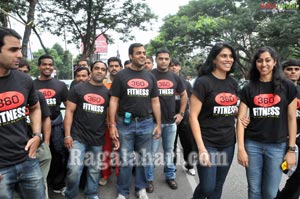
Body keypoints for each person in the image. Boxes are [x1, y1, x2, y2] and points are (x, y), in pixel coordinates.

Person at [236, 46, 297, 199]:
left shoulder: (287, 86)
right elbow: (240, 120)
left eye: (268, 60)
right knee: (254, 191)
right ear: (255, 63)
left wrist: (291, 150)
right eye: (260, 60)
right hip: (253, 145)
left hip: (277, 146)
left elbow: (291, 118)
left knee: (270, 193)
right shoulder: (248, 88)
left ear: (275, 62)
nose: (264, 64)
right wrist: (241, 149)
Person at [109, 43, 161, 199]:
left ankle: (140, 188)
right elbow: (113, 101)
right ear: (130, 56)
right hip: (125, 124)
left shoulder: (150, 76)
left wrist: (158, 124)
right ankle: (122, 192)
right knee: (125, 160)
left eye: (144, 53)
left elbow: (155, 102)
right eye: (138, 53)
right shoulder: (121, 76)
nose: (142, 55)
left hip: (146, 123)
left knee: (143, 158)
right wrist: (112, 124)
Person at [0, 27, 45, 198]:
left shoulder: (24, 80)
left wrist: (37, 135)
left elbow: (34, 107)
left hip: (27, 159)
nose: (19, 55)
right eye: (13, 50)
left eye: (19, 49)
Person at [189, 43, 238, 199]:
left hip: (228, 143)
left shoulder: (233, 83)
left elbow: (230, 108)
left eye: (231, 56)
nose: (228, 59)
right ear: (214, 59)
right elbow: (193, 116)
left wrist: (240, 114)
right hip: (207, 143)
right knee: (207, 186)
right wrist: (201, 148)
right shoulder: (203, 82)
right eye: (224, 56)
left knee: (218, 186)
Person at [64, 61, 109, 199]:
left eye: (102, 69)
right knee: (74, 169)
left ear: (105, 73)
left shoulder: (108, 93)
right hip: (78, 137)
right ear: (91, 71)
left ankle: (92, 193)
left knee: (94, 170)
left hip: (97, 138)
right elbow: (69, 112)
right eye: (97, 68)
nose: (99, 71)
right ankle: (70, 194)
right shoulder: (78, 89)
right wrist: (67, 135)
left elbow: (109, 117)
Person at [146, 49, 188, 193]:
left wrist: (181, 113)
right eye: (160, 58)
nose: (163, 61)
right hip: (153, 122)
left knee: (169, 151)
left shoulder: (175, 77)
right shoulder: (149, 76)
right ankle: (148, 179)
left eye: (166, 59)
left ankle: (170, 176)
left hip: (171, 122)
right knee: (152, 152)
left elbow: (184, 95)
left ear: (169, 60)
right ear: (156, 60)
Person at [33, 54, 69, 195]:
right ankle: (40, 183)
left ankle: (58, 184)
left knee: (58, 155)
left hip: (56, 127)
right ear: (39, 66)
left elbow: (68, 107)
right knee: (36, 156)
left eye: (50, 64)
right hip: (35, 127)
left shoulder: (60, 85)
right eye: (44, 64)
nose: (47, 67)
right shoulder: (32, 85)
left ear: (53, 67)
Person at [18, 59, 52, 199]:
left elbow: (46, 119)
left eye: (25, 72)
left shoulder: (36, 95)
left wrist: (46, 143)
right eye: (18, 72)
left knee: (39, 183)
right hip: (15, 151)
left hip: (38, 146)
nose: (22, 75)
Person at [275, 59, 300, 199]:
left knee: (297, 177)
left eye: (296, 69)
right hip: (280, 141)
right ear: (283, 72)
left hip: (298, 142)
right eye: (289, 69)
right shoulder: (277, 91)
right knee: (280, 170)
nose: (293, 72)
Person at [169, 58, 196, 176]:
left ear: (180, 67)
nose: (173, 67)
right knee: (171, 145)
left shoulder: (186, 83)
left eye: (176, 65)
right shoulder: (164, 82)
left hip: (184, 118)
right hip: (169, 118)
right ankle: (172, 167)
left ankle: (190, 165)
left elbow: (192, 100)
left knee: (188, 143)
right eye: (171, 65)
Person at [99, 56, 123, 186]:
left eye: (116, 66)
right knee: (106, 150)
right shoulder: (103, 84)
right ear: (108, 68)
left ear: (121, 67)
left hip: (123, 122)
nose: (114, 68)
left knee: (121, 150)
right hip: (105, 122)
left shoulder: (125, 81)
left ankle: (120, 175)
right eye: (111, 66)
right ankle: (105, 175)